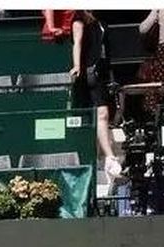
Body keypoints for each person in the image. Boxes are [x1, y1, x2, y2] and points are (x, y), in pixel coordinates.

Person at [70, 10, 122, 179]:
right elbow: (77, 42)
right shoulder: (79, 19)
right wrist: (77, 65)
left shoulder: (100, 20)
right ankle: (109, 156)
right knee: (101, 113)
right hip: (90, 71)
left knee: (104, 114)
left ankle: (106, 155)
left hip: (102, 71)